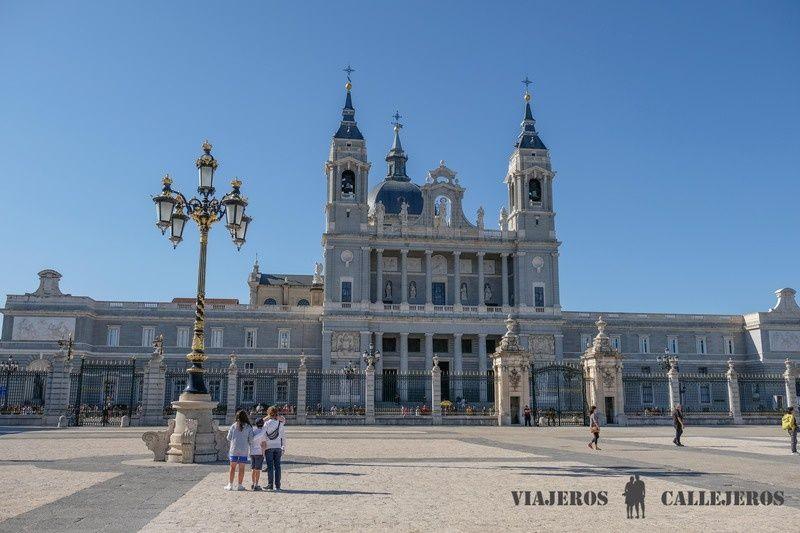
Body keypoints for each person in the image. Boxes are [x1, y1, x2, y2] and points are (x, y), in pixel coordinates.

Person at [225, 410, 253, 491]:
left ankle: (230, 485)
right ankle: (240, 485)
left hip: (234, 450)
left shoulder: (233, 426)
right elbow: (251, 440)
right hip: (244, 450)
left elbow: (228, 438)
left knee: (232, 467)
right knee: (241, 468)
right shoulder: (248, 427)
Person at [264, 405, 286, 491]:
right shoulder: (280, 424)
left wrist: (268, 416)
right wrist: (283, 446)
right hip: (278, 446)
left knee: (270, 467)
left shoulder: (266, 423)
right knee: (278, 467)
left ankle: (270, 484)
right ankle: (278, 486)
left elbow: (263, 433)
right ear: (276, 414)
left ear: (269, 414)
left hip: (269, 447)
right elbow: (283, 436)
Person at [250, 417, 267, 490]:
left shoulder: (253, 431)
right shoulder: (262, 433)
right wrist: (264, 454)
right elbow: (263, 444)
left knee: (253, 469)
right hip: (259, 452)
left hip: (252, 452)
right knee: (258, 469)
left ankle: (253, 483)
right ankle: (256, 484)